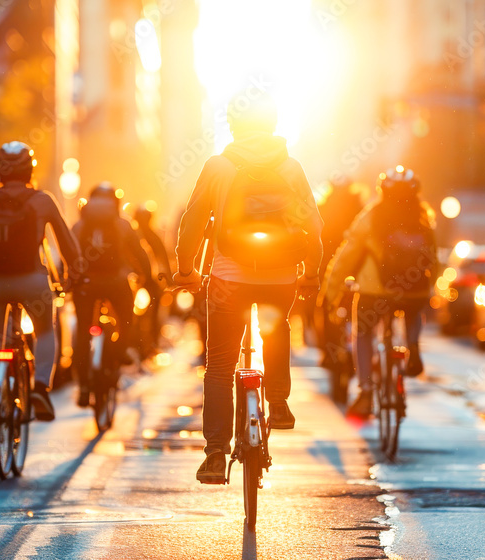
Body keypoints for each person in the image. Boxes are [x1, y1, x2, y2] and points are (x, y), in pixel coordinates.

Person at [172, 91, 323, 484]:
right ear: (272, 123)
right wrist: (311, 273)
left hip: (228, 278)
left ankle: (215, 453)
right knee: (278, 327)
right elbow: (315, 226)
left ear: (233, 124)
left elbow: (191, 223)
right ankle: (278, 400)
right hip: (281, 275)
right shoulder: (291, 168)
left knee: (220, 366)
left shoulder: (218, 166)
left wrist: (185, 269)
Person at [0, 141, 80, 443]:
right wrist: (76, 273)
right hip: (32, 281)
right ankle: (40, 388)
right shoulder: (43, 201)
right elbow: (67, 245)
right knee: (44, 331)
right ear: (30, 169)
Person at [322, 166, 438, 418]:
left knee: (362, 331)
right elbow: (433, 258)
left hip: (376, 293)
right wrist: (431, 289)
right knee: (413, 308)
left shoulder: (371, 216)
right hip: (413, 292)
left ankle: (365, 390)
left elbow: (347, 256)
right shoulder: (422, 217)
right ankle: (413, 345)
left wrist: (330, 293)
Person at [70, 183, 153, 407]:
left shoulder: (79, 226)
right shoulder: (123, 225)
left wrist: (68, 281)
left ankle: (84, 387)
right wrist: (147, 279)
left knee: (82, 332)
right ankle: (118, 352)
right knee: (126, 322)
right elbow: (140, 254)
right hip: (117, 283)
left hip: (86, 285)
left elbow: (68, 255)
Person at [314, 175, 364, 399]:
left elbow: (314, 239)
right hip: (357, 275)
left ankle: (327, 351)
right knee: (364, 316)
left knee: (324, 308)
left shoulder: (323, 211)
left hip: (330, 272)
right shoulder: (360, 211)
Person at [133, 204, 172, 357]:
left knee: (150, 312)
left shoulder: (133, 233)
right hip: (143, 282)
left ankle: (148, 344)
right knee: (153, 311)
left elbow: (163, 258)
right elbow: (163, 259)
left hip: (139, 283)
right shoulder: (148, 235)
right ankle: (149, 343)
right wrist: (168, 280)